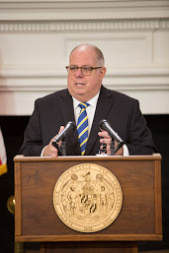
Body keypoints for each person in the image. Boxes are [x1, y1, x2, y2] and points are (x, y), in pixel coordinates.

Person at [19, 44, 157, 157]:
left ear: (101, 73)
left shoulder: (127, 107)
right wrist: (45, 152)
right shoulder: (44, 107)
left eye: (86, 68)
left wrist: (122, 151)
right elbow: (26, 151)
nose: (78, 74)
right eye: (73, 68)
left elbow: (149, 150)